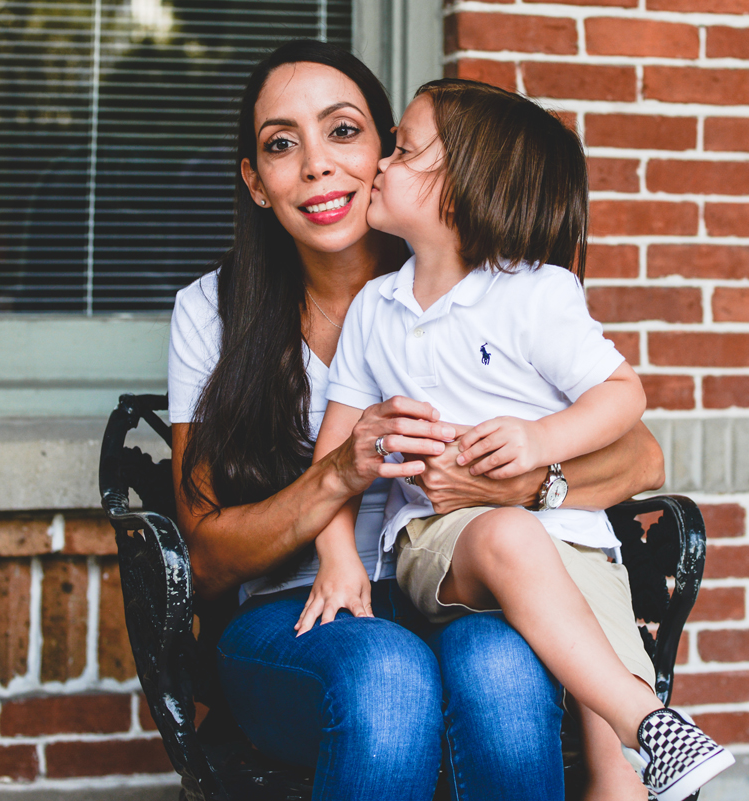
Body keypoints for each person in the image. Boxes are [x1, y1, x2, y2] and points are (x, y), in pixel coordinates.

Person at [169, 40, 666, 801]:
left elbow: (641, 459)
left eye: (344, 132)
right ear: (257, 183)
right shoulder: (213, 310)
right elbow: (204, 556)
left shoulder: (478, 284)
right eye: (280, 145)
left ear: (387, 149)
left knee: (502, 668)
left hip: (450, 582)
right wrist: (338, 474)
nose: (316, 166)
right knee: (387, 674)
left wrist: (519, 482)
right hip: (297, 614)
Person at [305, 80, 733, 801]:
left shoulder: (536, 294)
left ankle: (644, 740)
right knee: (507, 535)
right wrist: (339, 558)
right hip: (445, 543)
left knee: (618, 772)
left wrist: (539, 440)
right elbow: (334, 457)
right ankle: (652, 720)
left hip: (574, 544)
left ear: (464, 189)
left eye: (404, 150)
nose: (380, 161)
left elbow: (623, 395)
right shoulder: (375, 310)